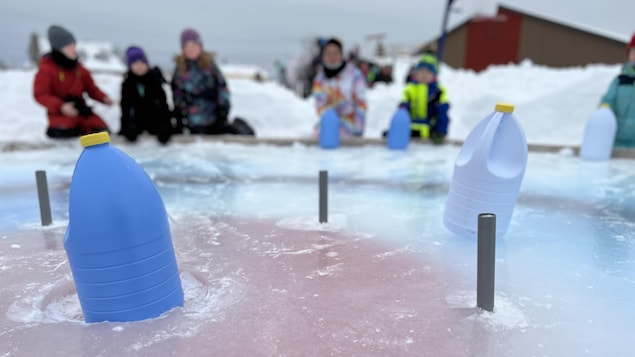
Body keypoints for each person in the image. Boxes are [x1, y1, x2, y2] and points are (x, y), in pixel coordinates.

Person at [33, 25, 113, 138]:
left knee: (102, 132)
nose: (73, 48)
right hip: (59, 113)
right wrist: (61, 106)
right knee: (64, 134)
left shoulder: (80, 69)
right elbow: (40, 94)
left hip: (80, 110)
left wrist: (104, 98)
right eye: (68, 45)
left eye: (73, 44)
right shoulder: (46, 70)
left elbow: (91, 89)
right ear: (58, 48)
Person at [171, 28, 254, 136]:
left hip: (214, 116)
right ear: (183, 49)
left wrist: (223, 111)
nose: (191, 49)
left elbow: (222, 88)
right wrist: (179, 115)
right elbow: (177, 94)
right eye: (187, 46)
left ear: (200, 46)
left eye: (194, 45)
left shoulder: (210, 67)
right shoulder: (180, 70)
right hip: (193, 120)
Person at [387, 53, 450, 144]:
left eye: (428, 72)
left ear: (434, 75)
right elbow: (404, 108)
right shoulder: (410, 89)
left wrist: (441, 131)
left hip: (430, 129)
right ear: (416, 73)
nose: (424, 74)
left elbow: (442, 113)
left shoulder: (438, 92)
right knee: (401, 115)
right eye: (421, 71)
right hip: (411, 127)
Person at [312, 37, 367, 137]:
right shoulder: (319, 79)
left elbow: (361, 102)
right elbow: (319, 104)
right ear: (323, 56)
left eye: (335, 54)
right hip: (329, 124)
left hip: (350, 124)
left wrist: (359, 127)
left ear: (341, 55)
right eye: (328, 54)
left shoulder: (354, 74)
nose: (332, 57)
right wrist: (329, 119)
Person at [119, 46, 173, 144]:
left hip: (155, 124)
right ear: (130, 65)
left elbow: (163, 106)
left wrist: (165, 126)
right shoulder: (127, 84)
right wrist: (126, 128)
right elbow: (125, 108)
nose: (139, 66)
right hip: (136, 125)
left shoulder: (155, 80)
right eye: (135, 63)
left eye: (142, 62)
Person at [600, 33, 635, 148]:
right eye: (633, 51)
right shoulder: (620, 80)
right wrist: (605, 108)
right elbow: (608, 99)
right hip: (616, 141)